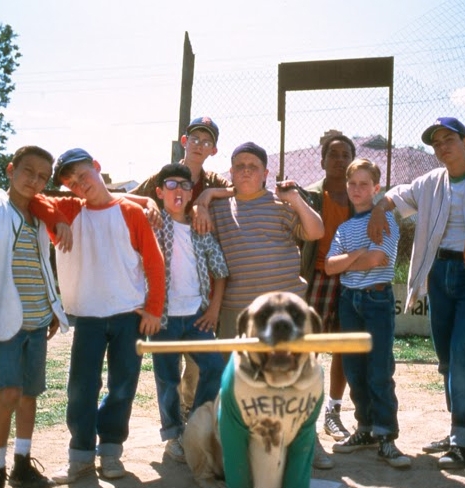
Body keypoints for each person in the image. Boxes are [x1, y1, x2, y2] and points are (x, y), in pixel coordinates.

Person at [193, 141, 333, 469]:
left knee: (297, 378)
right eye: (238, 165)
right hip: (237, 311)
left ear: (265, 173)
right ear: (230, 171)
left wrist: (296, 199)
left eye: (252, 166)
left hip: (285, 309)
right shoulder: (216, 208)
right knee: (242, 384)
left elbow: (315, 231)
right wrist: (204, 199)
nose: (245, 170)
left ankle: (307, 443)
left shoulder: (281, 204)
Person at [32, 148, 165, 484]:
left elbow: (154, 262)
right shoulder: (69, 210)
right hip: (88, 316)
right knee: (81, 387)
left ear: (97, 167)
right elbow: (33, 200)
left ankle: (110, 452)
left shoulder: (131, 212)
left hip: (127, 315)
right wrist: (58, 219)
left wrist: (153, 309)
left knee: (123, 386)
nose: (79, 185)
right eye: (71, 183)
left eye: (83, 175)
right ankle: (80, 455)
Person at [367, 117, 465, 469]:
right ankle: (457, 431)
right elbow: (396, 195)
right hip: (440, 273)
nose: (442, 147)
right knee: (446, 360)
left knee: (463, 353)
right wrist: (378, 209)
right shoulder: (431, 182)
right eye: (436, 142)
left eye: (449, 139)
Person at [0, 145, 70, 488]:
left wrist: (53, 305)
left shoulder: (39, 217)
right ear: (11, 170)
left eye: (43, 177)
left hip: (38, 320)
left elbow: (43, 265)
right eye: (28, 172)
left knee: (28, 396)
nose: (34, 181)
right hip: (5, 321)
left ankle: (22, 465)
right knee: (8, 393)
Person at [134, 116, 231, 414]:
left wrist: (206, 196)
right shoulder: (161, 178)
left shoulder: (213, 180)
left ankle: (195, 416)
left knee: (202, 366)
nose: (200, 145)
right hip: (163, 300)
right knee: (167, 372)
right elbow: (130, 202)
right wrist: (149, 204)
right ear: (183, 141)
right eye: (195, 139)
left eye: (207, 141)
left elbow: (240, 189)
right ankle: (173, 429)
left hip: (197, 293)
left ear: (214, 149)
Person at [325, 158, 411, 469]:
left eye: (364, 184)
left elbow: (377, 259)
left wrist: (351, 258)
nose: (357, 189)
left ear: (376, 188)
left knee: (378, 370)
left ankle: (386, 435)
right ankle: (365, 428)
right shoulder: (345, 227)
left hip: (376, 301)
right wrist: (356, 255)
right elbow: (329, 266)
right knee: (355, 369)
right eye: (353, 184)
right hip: (350, 301)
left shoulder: (384, 219)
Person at [149, 162, 229, 463]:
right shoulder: (153, 224)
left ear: (191, 192)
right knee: (167, 378)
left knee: (214, 368)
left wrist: (214, 309)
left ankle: (195, 424)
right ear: (159, 192)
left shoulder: (200, 227)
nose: (178, 191)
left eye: (184, 186)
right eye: (170, 185)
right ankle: (173, 435)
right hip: (164, 318)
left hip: (197, 316)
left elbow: (220, 271)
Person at [301, 132, 356, 442]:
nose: (338, 159)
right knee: (308, 348)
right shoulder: (310, 196)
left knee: (344, 348)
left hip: (350, 279)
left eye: (345, 154)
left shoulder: (360, 197)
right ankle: (304, 410)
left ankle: (333, 412)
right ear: (322, 161)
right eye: (332, 154)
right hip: (317, 278)